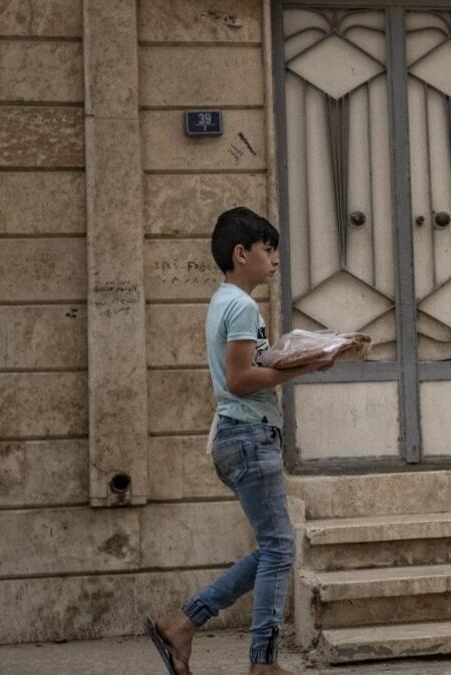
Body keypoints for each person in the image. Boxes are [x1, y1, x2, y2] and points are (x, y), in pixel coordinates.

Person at [145, 207, 328, 675]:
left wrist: (299, 355)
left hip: (238, 434)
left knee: (274, 546)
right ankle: (261, 663)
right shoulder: (242, 305)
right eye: (268, 250)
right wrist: (308, 366)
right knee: (279, 549)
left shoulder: (224, 301)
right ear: (240, 253)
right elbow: (242, 379)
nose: (275, 260)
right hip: (248, 433)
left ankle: (183, 622)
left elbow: (248, 367)